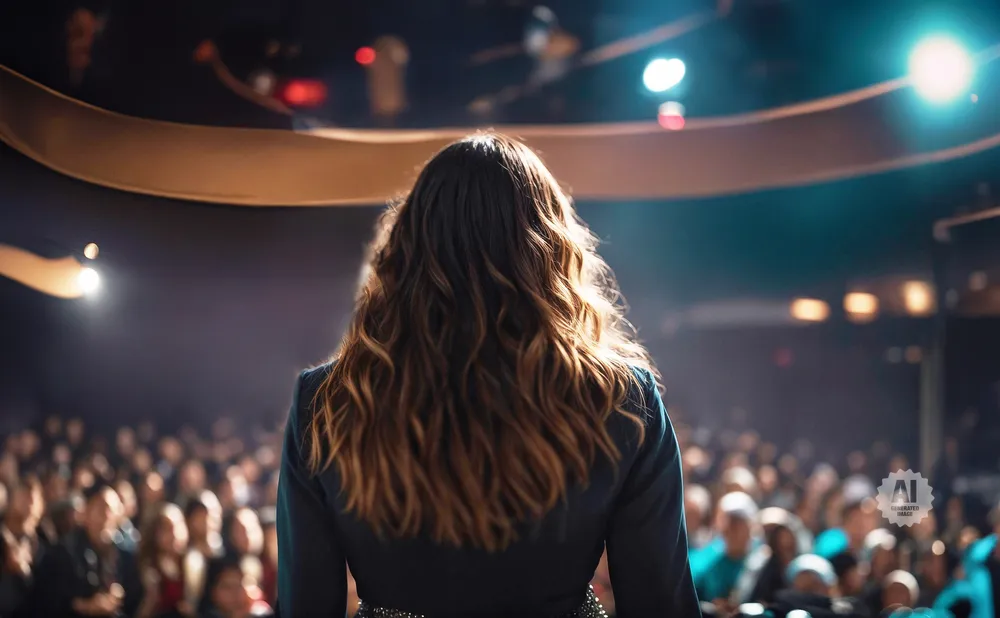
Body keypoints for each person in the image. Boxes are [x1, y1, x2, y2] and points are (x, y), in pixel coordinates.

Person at [277, 134, 701, 618]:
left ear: (406, 248)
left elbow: (305, 605)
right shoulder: (622, 398)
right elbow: (661, 602)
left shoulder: (328, 401)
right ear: (549, 249)